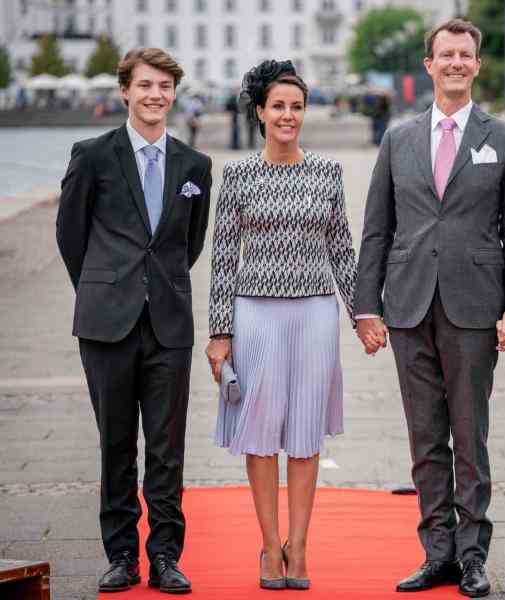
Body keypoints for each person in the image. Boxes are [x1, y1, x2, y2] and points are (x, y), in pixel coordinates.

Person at [354, 18, 505, 598]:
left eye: (465, 55)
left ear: (477, 65)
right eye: (445, 55)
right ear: (428, 65)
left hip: (475, 308)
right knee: (425, 438)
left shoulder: (504, 139)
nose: (455, 63)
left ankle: (473, 555)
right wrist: (365, 307)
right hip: (407, 306)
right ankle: (437, 553)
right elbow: (377, 229)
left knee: (469, 434)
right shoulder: (398, 139)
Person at [56, 47, 212, 594]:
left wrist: (155, 287)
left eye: (165, 87)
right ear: (126, 90)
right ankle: (121, 554)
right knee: (116, 444)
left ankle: (166, 554)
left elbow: (188, 244)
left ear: (174, 94)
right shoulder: (92, 154)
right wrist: (105, 286)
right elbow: (70, 236)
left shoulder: (195, 166)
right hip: (106, 323)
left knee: (167, 448)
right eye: (145, 85)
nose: (155, 95)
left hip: (169, 325)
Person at [205, 60, 358, 591]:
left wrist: (364, 315)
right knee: (262, 433)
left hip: (316, 312)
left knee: (306, 432)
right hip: (255, 314)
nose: (287, 115)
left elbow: (342, 249)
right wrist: (219, 332)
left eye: (296, 107)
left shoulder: (327, 173)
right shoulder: (239, 175)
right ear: (260, 112)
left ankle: (300, 547)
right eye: (278, 107)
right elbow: (223, 259)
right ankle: (269, 547)